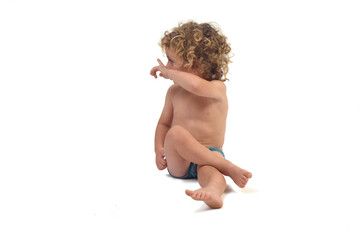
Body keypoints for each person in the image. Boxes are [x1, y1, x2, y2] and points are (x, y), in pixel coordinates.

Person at [150, 21, 252, 209]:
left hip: (209, 154)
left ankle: (213, 191)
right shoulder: (173, 92)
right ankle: (227, 166)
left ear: (194, 64)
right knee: (175, 133)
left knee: (211, 173)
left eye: (171, 61)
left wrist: (168, 73)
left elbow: (196, 86)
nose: (166, 66)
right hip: (179, 159)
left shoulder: (216, 89)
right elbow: (164, 124)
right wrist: (158, 148)